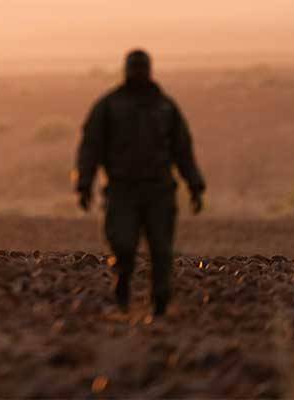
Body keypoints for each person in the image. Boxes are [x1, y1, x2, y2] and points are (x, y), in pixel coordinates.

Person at [75, 49, 206, 316]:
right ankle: (122, 283)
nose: (137, 72)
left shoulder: (165, 107)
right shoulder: (109, 106)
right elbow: (91, 147)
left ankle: (159, 304)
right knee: (122, 244)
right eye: (133, 67)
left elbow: (182, 149)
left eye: (141, 67)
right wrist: (84, 183)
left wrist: (195, 184)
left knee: (161, 250)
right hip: (122, 190)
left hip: (159, 190)